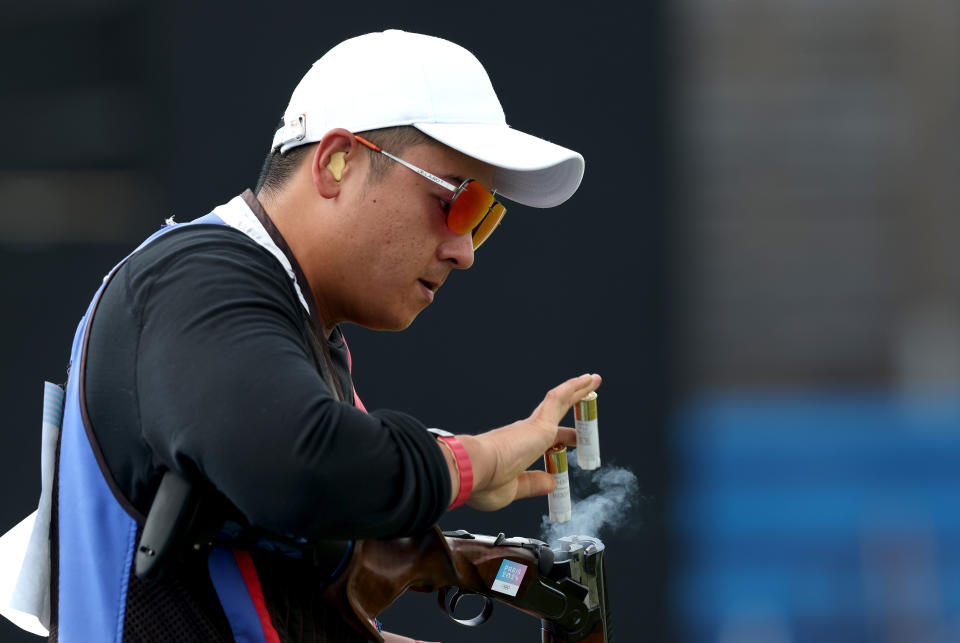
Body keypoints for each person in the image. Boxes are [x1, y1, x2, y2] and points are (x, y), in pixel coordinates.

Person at [41, 29, 599, 642]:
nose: (465, 250)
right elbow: (301, 462)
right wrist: (476, 459)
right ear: (338, 162)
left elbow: (259, 583)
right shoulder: (196, 276)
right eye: (458, 202)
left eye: (485, 218)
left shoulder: (277, 313)